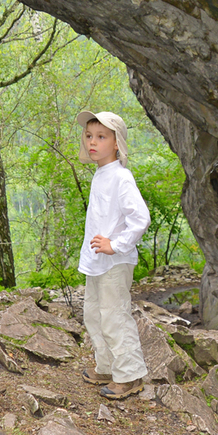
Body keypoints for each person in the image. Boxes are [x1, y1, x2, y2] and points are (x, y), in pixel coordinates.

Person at [75, 109, 152, 401]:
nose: (93, 141)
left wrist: (115, 244)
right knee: (94, 315)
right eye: (89, 135)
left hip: (115, 262)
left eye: (101, 136)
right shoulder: (101, 174)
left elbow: (140, 218)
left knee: (115, 317)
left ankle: (130, 376)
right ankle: (108, 368)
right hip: (97, 262)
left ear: (117, 142)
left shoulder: (121, 177)